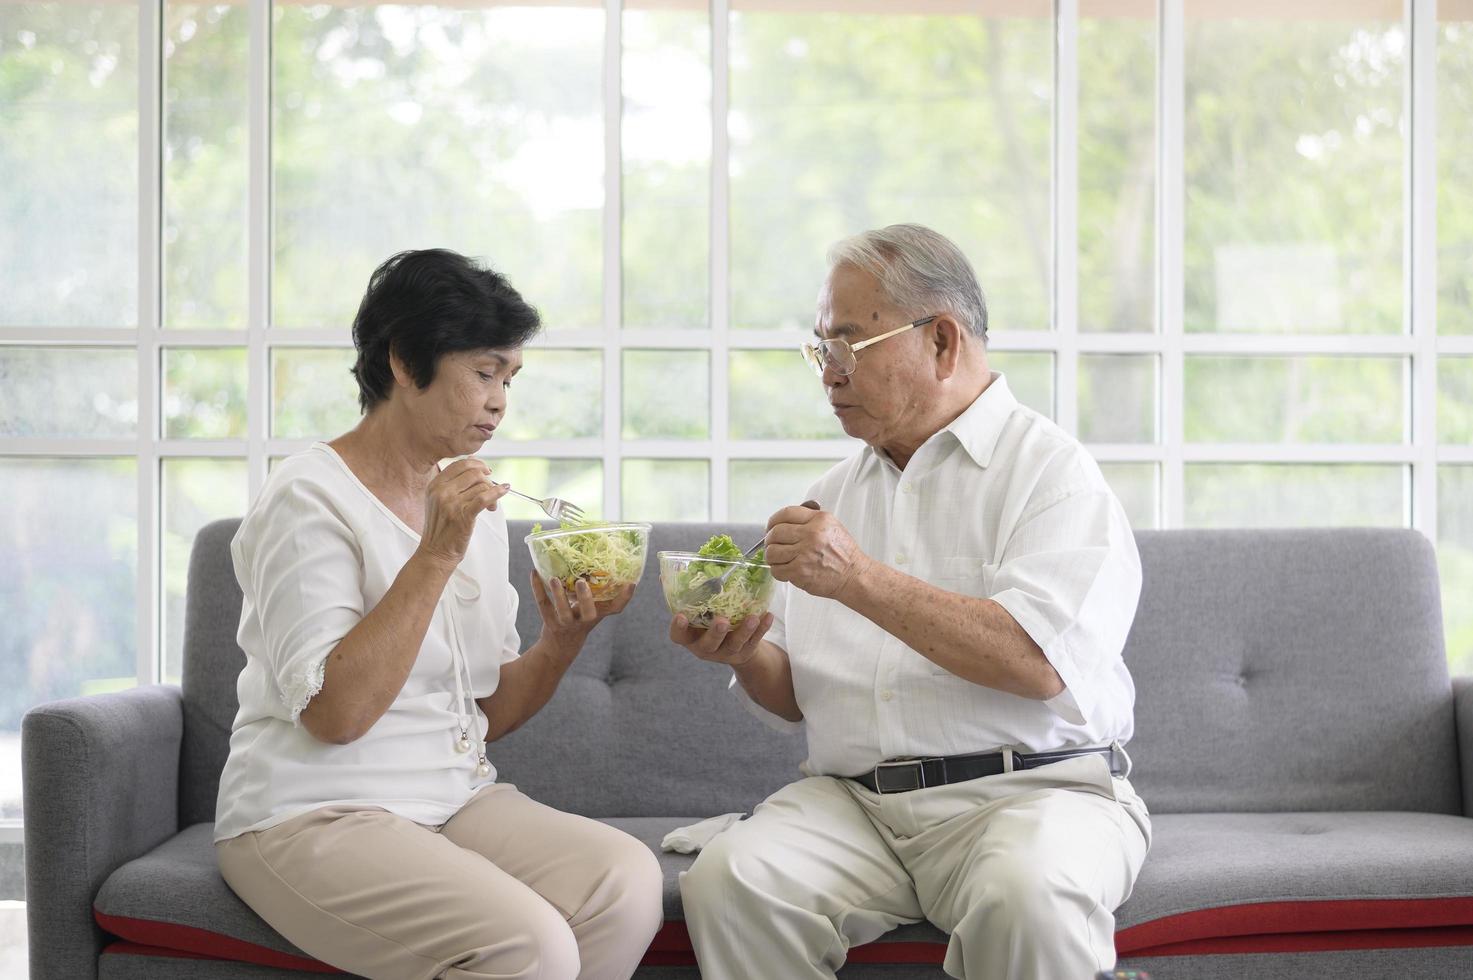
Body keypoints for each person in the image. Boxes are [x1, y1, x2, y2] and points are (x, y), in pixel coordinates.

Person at [671, 224, 1152, 980]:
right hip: (856, 807)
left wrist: (857, 577)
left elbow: (1035, 662)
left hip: (1033, 795)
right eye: (819, 349)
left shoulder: (1052, 475)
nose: (827, 374)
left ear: (942, 342)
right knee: (731, 878)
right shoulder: (832, 493)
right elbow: (795, 694)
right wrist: (743, 650)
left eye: (847, 345)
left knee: (1026, 897)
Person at [214, 248, 662, 980]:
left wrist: (561, 641)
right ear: (403, 361)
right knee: (530, 946)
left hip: (452, 798)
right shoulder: (308, 499)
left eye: (509, 379)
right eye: (484, 372)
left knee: (623, 880)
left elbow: (485, 712)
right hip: (309, 811)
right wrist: (432, 555)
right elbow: (334, 716)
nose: (500, 401)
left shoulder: (475, 511)